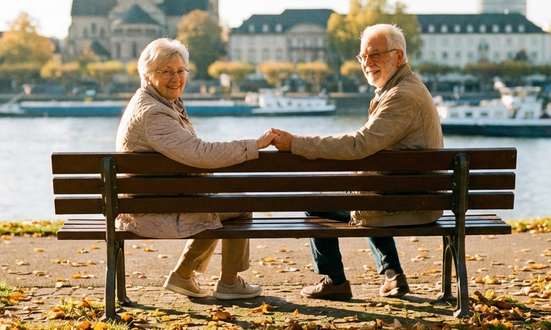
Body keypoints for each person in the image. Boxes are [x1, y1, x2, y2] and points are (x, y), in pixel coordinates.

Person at [271, 23, 444, 300]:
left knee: (317, 204)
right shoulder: (406, 87)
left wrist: (295, 144)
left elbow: (359, 144)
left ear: (399, 56)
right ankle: (392, 275)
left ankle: (335, 281)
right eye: (363, 56)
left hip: (409, 203)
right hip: (412, 196)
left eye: (375, 54)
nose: (367, 62)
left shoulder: (401, 96)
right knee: (364, 192)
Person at [115, 38, 274, 300]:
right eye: (166, 71)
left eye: (180, 71)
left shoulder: (153, 101)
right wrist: (253, 146)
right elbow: (199, 153)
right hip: (152, 209)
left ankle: (184, 275)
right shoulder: (154, 113)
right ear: (147, 74)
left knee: (217, 201)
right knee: (240, 205)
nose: (176, 78)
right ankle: (227, 283)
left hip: (157, 198)